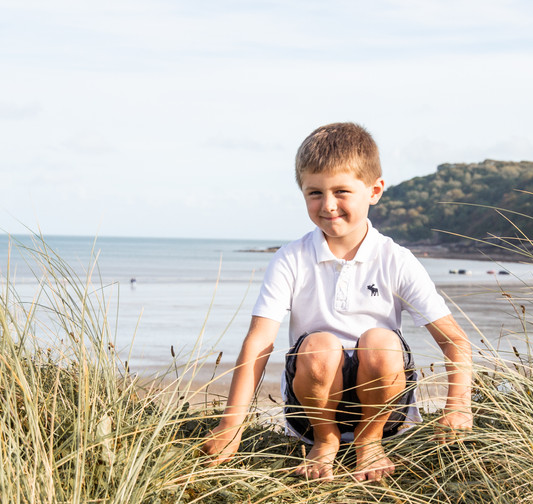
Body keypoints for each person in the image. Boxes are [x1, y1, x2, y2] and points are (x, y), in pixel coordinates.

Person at [202, 122, 472, 482]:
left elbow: (455, 341)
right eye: (314, 193)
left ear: (374, 190)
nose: (328, 205)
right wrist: (231, 424)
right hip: (310, 411)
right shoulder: (291, 258)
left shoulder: (396, 259)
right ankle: (326, 441)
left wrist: (459, 405)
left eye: (342, 191)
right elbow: (259, 341)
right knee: (320, 346)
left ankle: (369, 441)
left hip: (385, 408)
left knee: (380, 341)